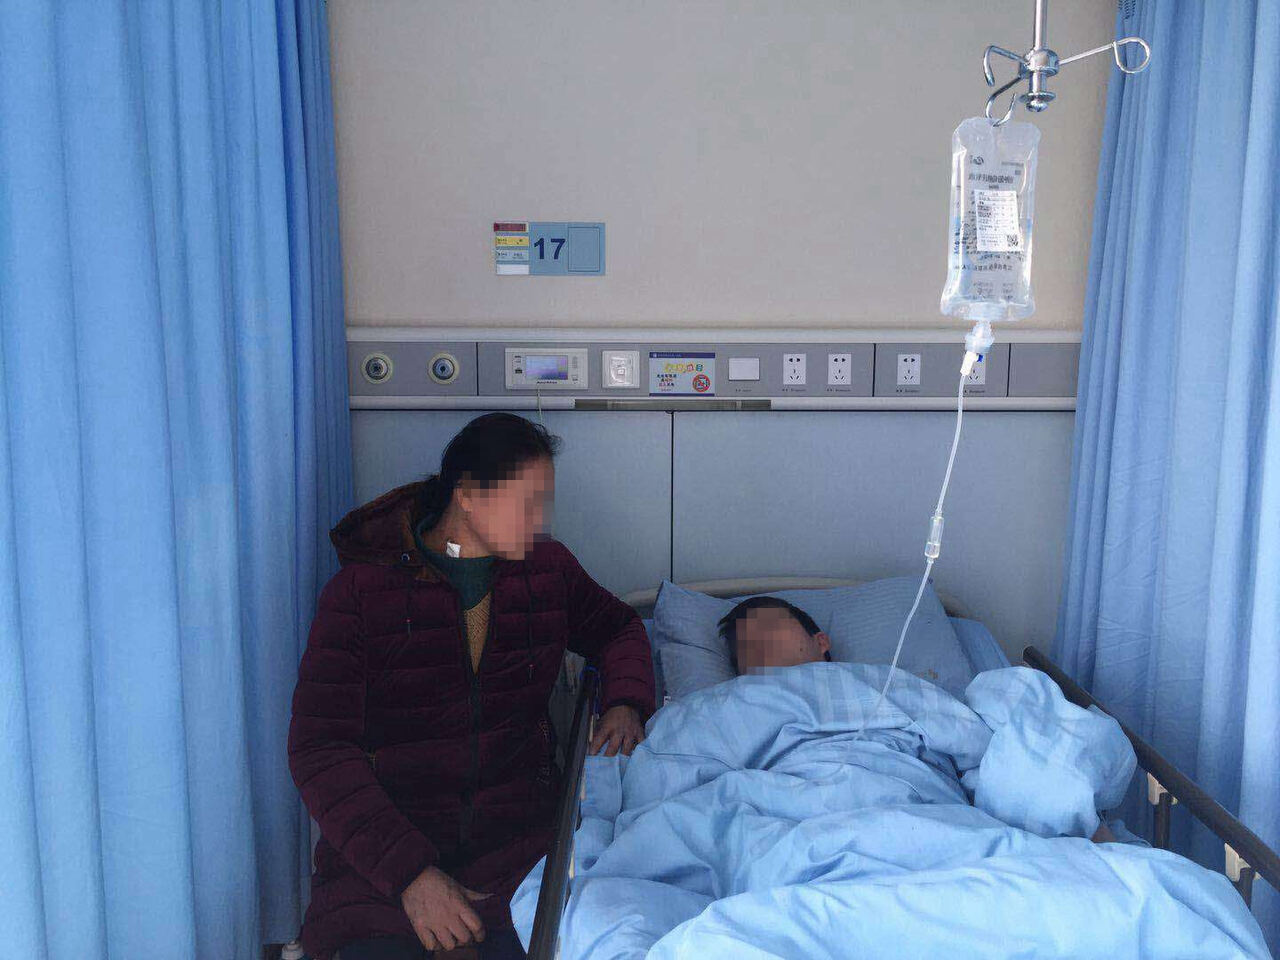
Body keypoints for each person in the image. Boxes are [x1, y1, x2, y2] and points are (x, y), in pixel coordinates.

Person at [289, 413, 656, 960]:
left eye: (545, 504)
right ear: (467, 496)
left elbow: (619, 626)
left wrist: (624, 701)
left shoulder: (547, 572)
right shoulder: (361, 593)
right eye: (527, 504)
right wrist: (412, 877)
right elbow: (319, 749)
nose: (540, 522)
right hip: (383, 863)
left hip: (514, 853)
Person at [716, 596, 1117, 843]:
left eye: (769, 628)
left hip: (927, 815)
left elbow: (970, 741)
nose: (757, 643)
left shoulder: (881, 682)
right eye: (743, 647)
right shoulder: (723, 706)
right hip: (796, 825)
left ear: (821, 641)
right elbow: (686, 767)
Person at [717, 596, 832, 674]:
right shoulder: (722, 699)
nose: (760, 641)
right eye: (746, 644)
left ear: (820, 642)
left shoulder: (843, 680)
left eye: (770, 626)